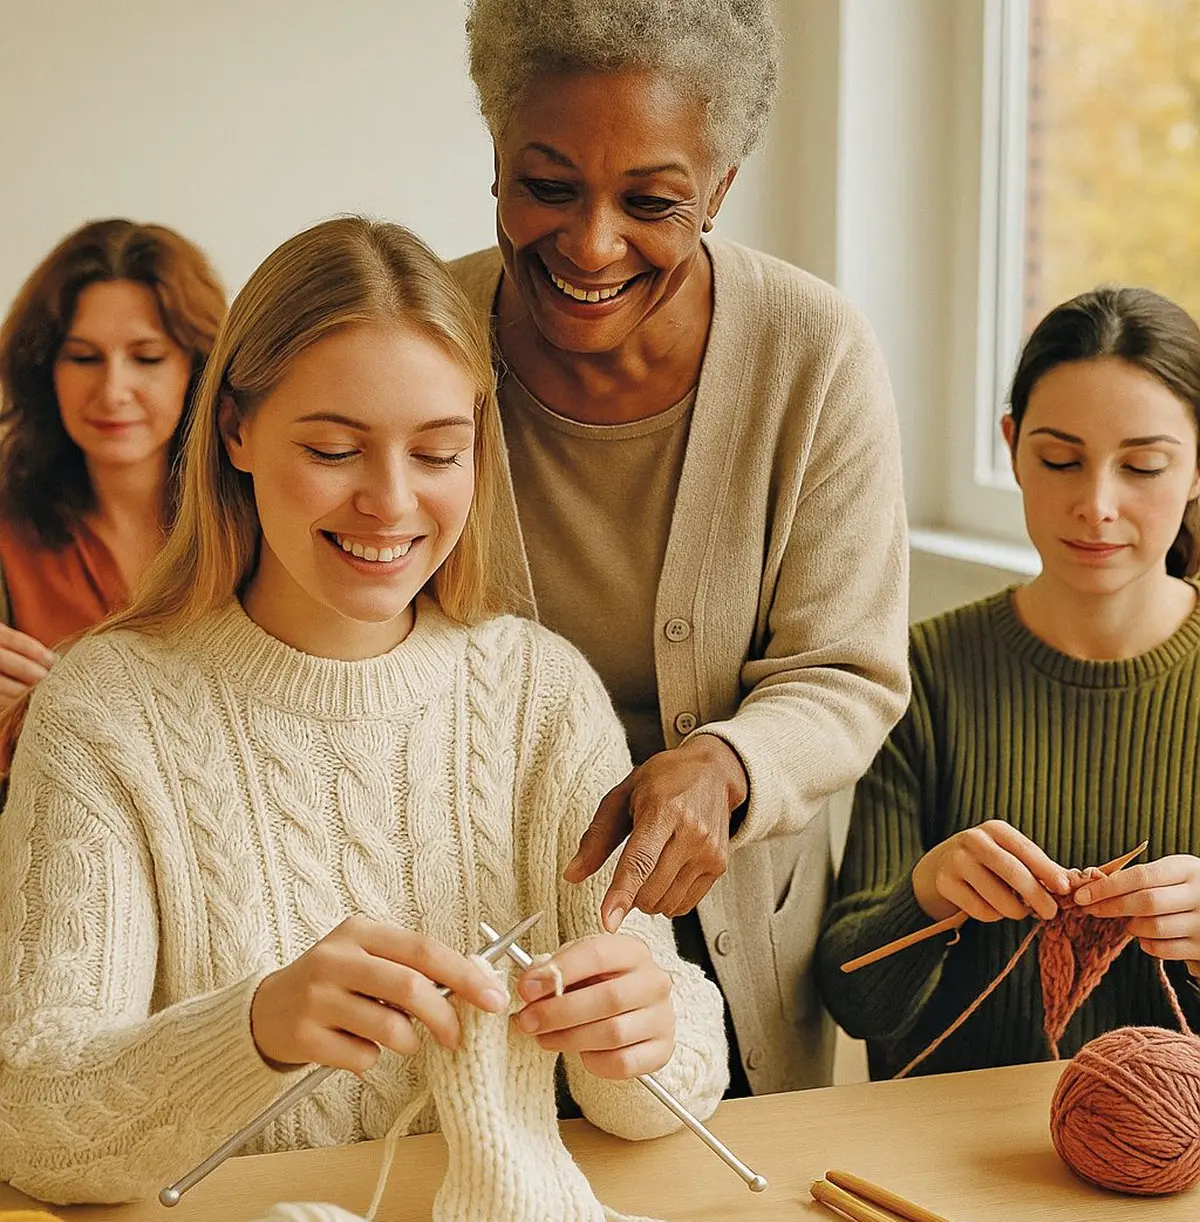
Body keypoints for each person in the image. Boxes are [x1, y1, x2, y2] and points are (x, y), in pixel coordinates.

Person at [0, 217, 726, 1205]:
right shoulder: (103, 711)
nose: (390, 503)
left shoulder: (540, 696)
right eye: (337, 448)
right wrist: (252, 1028)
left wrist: (650, 1031)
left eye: (437, 453)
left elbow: (661, 1093)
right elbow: (35, 1125)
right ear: (236, 431)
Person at [453, 0, 910, 1094]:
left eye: (652, 201)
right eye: (548, 185)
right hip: (471, 941)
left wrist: (729, 765)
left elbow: (846, 670)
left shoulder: (813, 351)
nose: (592, 242)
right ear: (498, 158)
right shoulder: (423, 333)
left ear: (719, 189)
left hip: (730, 955)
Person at [817, 285, 1200, 1080]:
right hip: (948, 1166)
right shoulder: (919, 673)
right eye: (1060, 460)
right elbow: (853, 999)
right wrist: (925, 895)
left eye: (1144, 466)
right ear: (1013, 445)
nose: (1095, 504)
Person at [0, 218, 225, 712]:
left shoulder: (253, 523)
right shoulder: (8, 529)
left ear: (197, 367)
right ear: (45, 370)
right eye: (83, 358)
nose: (112, 392)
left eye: (147, 358)